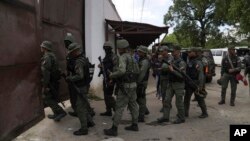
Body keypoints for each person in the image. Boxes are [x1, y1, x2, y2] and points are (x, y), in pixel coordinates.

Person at [104, 39, 139, 136]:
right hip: (133, 85)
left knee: (119, 107)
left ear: (121, 48)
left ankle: (114, 129)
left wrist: (112, 75)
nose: (118, 49)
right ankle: (135, 125)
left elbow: (122, 71)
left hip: (125, 86)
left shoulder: (123, 57)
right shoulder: (132, 57)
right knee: (133, 105)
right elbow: (137, 71)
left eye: (118, 48)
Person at [66, 43, 94, 135]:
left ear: (74, 51)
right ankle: (90, 122)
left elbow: (80, 75)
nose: (70, 54)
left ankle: (84, 129)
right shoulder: (84, 58)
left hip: (81, 87)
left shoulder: (78, 61)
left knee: (80, 108)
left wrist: (70, 78)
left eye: (71, 52)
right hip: (84, 86)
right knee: (84, 105)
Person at [64, 33, 95, 117]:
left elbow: (78, 68)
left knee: (79, 98)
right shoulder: (71, 53)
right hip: (74, 77)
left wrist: (71, 77)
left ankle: (86, 112)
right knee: (77, 97)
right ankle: (79, 111)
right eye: (65, 42)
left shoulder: (76, 53)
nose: (66, 44)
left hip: (77, 78)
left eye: (68, 42)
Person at [157, 45, 186, 124]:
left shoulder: (182, 63)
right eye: (171, 51)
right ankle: (165, 117)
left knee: (178, 102)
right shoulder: (172, 61)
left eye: (173, 51)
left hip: (179, 85)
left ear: (178, 51)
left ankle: (181, 117)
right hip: (171, 83)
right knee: (166, 100)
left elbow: (182, 76)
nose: (172, 52)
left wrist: (172, 71)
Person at [40, 40, 67, 121]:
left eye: (42, 46)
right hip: (53, 81)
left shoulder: (47, 57)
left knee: (47, 98)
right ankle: (56, 113)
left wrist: (45, 85)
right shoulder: (52, 55)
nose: (41, 48)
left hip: (50, 82)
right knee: (52, 98)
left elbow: (46, 73)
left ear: (44, 48)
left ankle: (61, 112)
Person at [184, 47, 208, 118]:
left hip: (195, 84)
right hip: (189, 83)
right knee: (186, 99)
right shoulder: (190, 61)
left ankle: (205, 113)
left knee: (200, 99)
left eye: (190, 52)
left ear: (194, 52)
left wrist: (200, 87)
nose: (188, 53)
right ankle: (185, 113)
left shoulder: (198, 62)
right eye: (188, 52)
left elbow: (201, 75)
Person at [99, 41, 118, 116]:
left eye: (107, 48)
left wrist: (112, 79)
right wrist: (101, 66)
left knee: (108, 95)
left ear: (110, 48)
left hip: (111, 78)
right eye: (105, 48)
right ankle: (108, 111)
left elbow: (115, 69)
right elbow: (105, 66)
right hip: (106, 78)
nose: (106, 49)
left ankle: (116, 109)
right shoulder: (106, 56)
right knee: (106, 95)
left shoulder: (114, 56)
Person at [136, 45, 151, 122]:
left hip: (141, 82)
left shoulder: (144, 61)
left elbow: (142, 73)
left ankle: (141, 116)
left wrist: (137, 82)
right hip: (141, 82)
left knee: (140, 98)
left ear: (143, 52)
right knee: (140, 97)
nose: (138, 52)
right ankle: (145, 110)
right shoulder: (142, 59)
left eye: (140, 51)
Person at [157, 46, 173, 113]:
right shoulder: (161, 57)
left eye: (162, 51)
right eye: (161, 51)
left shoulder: (170, 57)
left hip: (167, 77)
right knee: (162, 92)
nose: (161, 52)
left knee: (165, 93)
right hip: (162, 77)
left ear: (166, 51)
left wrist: (161, 68)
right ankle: (166, 105)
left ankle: (165, 106)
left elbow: (166, 66)